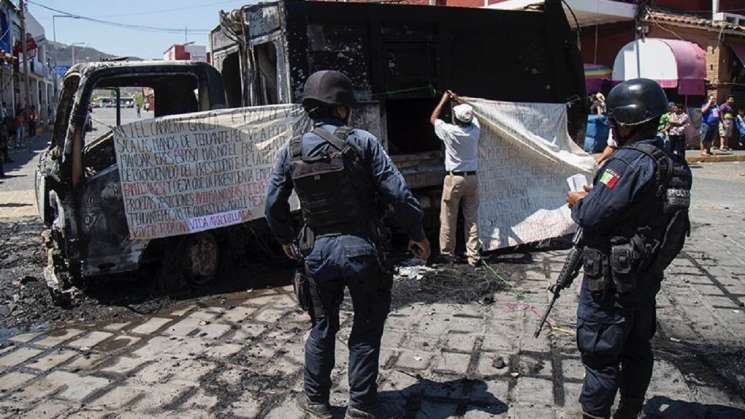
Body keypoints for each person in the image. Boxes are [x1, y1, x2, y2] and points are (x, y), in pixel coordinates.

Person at [265, 70, 430, 419]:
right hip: (363, 250)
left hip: (317, 253)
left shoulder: (290, 149)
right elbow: (399, 195)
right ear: (341, 108)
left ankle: (317, 403)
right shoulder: (364, 142)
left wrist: (285, 240)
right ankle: (361, 405)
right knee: (367, 326)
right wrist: (417, 233)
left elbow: (272, 205)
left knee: (322, 326)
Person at [567, 78, 683, 419]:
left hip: (611, 281)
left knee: (601, 355)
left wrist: (578, 200)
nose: (612, 127)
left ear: (626, 122)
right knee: (637, 349)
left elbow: (590, 215)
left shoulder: (626, 163)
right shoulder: (671, 160)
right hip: (645, 275)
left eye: (614, 120)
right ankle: (629, 412)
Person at [430, 90, 482, 267]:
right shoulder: (475, 130)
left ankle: (448, 254)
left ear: (456, 119)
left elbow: (433, 118)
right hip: (472, 179)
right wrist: (459, 99)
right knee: (472, 219)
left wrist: (445, 99)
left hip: (454, 180)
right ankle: (473, 256)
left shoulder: (449, 131)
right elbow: (472, 113)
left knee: (448, 218)